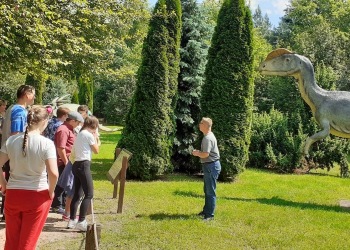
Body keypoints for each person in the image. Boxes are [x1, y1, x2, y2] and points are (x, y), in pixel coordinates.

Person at [0, 105, 59, 250]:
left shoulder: (11, 141)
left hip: (13, 194)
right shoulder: (47, 144)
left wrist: (4, 183)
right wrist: (51, 191)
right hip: (37, 195)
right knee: (27, 243)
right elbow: (54, 173)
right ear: (45, 122)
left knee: (12, 241)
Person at [1, 85, 35, 220]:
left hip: (7, 152)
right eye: (33, 94)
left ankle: (7, 211)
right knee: (15, 182)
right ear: (27, 94)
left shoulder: (11, 108)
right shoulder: (19, 112)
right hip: (14, 154)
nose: (34, 97)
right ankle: (11, 212)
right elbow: (16, 134)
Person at [68, 116, 100, 231]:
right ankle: (81, 221)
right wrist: (96, 138)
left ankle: (72, 220)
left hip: (76, 164)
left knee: (77, 193)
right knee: (89, 194)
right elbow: (96, 151)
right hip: (83, 164)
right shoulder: (88, 134)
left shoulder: (81, 134)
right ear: (93, 126)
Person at [51, 111, 84, 214]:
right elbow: (61, 148)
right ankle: (57, 205)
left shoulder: (68, 129)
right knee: (60, 184)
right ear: (72, 121)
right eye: (78, 123)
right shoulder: (63, 130)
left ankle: (63, 204)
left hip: (68, 160)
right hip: (62, 162)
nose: (78, 125)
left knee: (65, 184)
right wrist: (66, 162)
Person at [192, 117, 221, 221]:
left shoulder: (207, 138)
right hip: (211, 166)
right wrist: (200, 152)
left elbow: (205, 154)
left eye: (201, 123)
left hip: (211, 166)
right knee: (207, 190)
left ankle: (209, 215)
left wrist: (196, 153)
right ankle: (206, 211)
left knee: (210, 192)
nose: (199, 124)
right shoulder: (208, 136)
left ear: (206, 126)